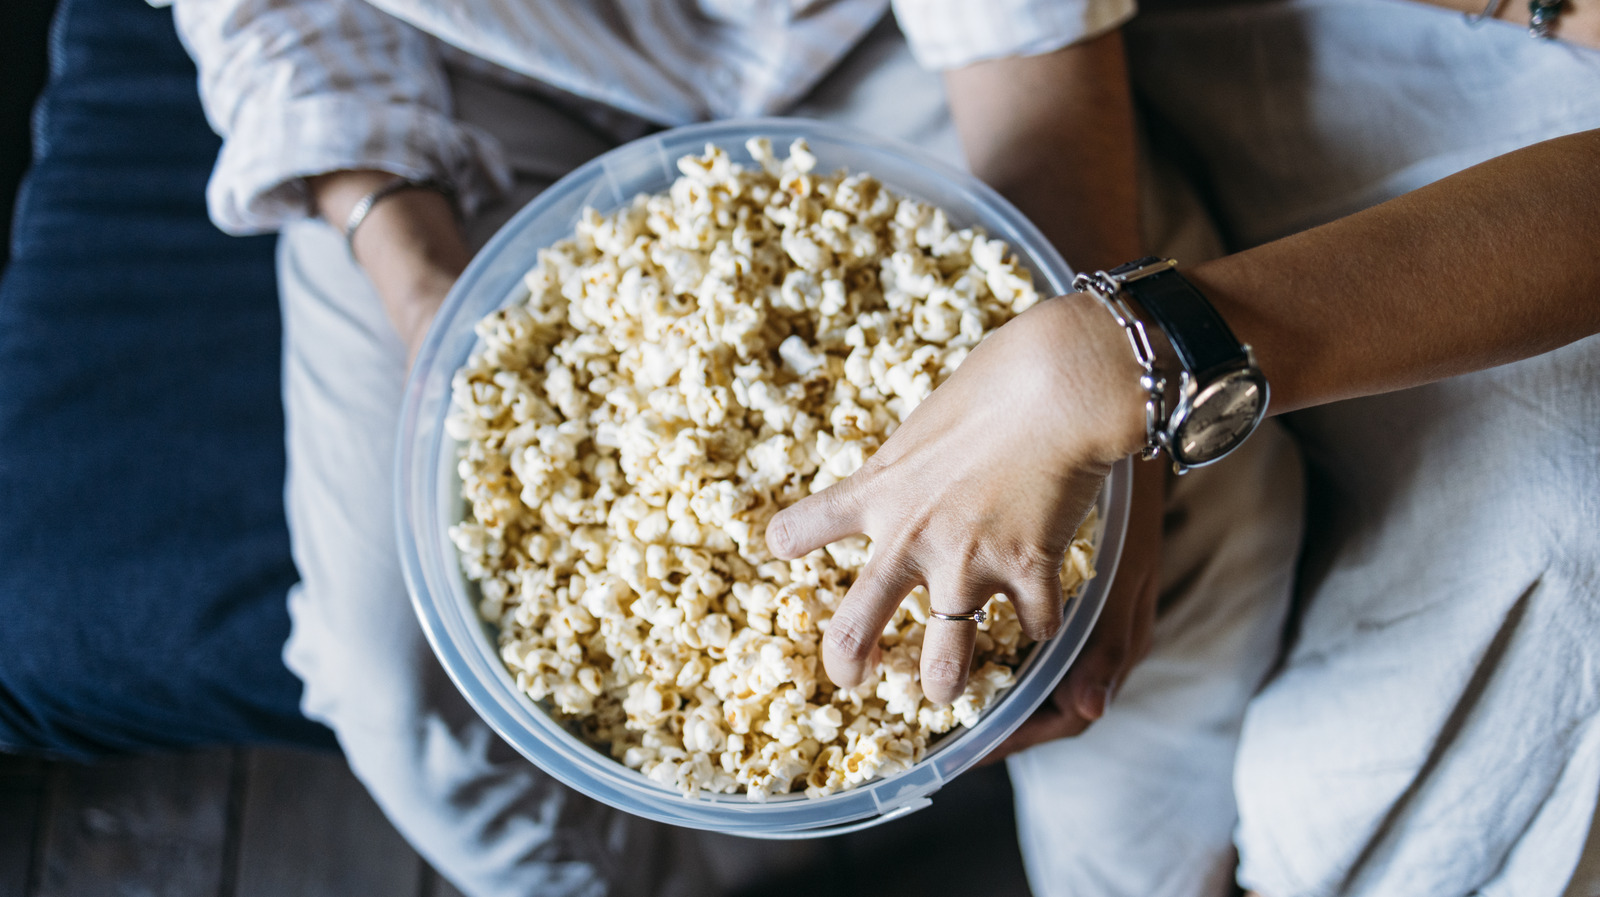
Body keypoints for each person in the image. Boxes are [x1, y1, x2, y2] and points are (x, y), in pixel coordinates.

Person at [165, 0, 1600, 895]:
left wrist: (1111, 374)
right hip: (445, 91)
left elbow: (1016, 35)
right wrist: (412, 261)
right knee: (388, 683)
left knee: (1183, 572)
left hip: (866, 35)